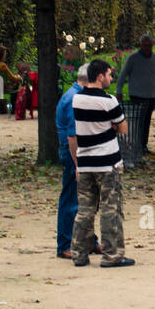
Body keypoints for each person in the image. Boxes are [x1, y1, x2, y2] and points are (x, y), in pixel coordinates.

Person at [70, 60, 134, 268]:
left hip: (85, 161)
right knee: (110, 208)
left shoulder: (77, 99)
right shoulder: (109, 101)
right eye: (109, 74)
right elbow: (123, 128)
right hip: (107, 162)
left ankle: (79, 253)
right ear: (100, 76)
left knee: (85, 209)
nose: (111, 78)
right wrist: (111, 126)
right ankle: (112, 254)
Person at [55, 64, 98, 260]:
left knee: (84, 198)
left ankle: (89, 240)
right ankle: (64, 244)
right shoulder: (75, 99)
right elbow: (73, 137)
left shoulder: (74, 94)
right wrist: (78, 164)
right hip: (74, 152)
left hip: (77, 150)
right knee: (72, 198)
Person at [116, 34, 155, 156]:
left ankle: (143, 145)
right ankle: (136, 145)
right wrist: (119, 91)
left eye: (149, 46)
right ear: (141, 45)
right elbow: (123, 74)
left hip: (150, 95)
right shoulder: (133, 59)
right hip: (136, 95)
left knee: (146, 121)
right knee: (137, 122)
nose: (147, 48)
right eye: (145, 46)